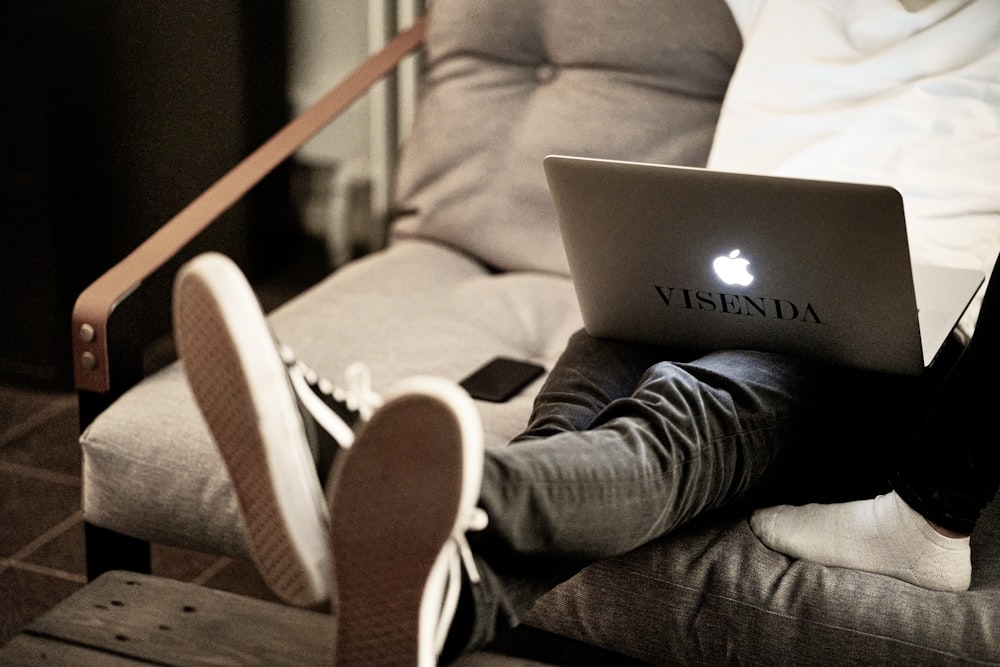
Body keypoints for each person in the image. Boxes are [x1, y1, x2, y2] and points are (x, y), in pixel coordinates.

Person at [171, 0, 999, 664]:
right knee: (595, 356)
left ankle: (354, 473)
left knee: (693, 407)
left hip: (893, 334)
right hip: (713, 264)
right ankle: (457, 597)